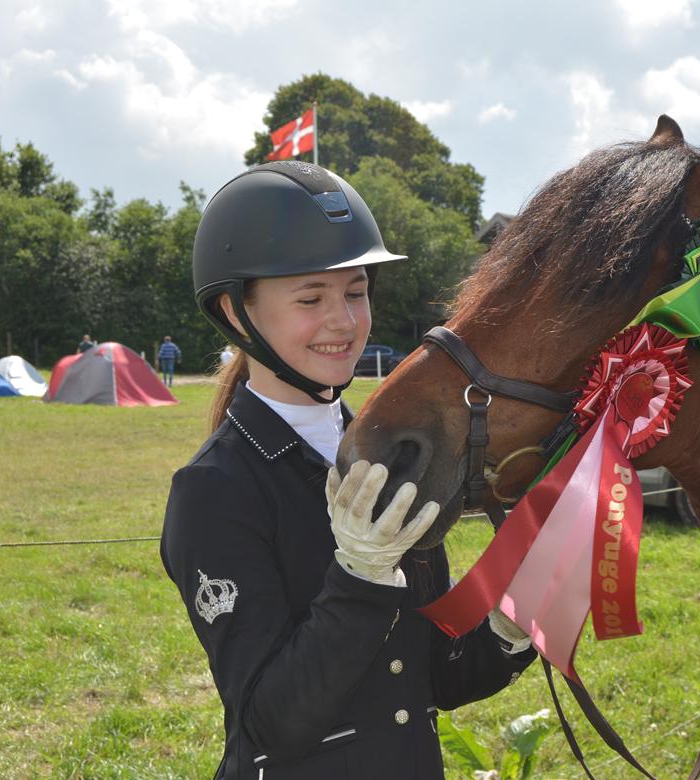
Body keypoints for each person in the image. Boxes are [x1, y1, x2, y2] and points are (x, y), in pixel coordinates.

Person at [160, 161, 534, 779]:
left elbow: (431, 676)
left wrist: (508, 625)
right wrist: (360, 576)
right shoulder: (214, 490)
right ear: (235, 313)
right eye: (311, 298)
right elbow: (273, 723)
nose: (345, 321)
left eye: (356, 292)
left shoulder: (399, 453)